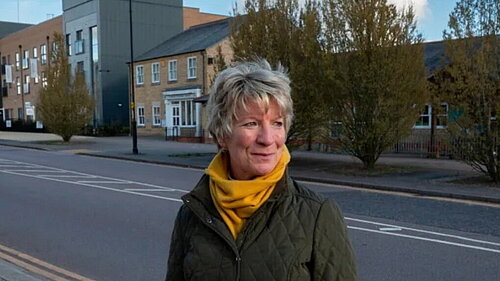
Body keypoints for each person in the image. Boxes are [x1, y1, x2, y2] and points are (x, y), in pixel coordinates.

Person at [165, 59, 358, 281]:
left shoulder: (317, 214)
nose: (268, 139)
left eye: (277, 123)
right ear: (222, 135)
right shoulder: (192, 214)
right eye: (251, 124)